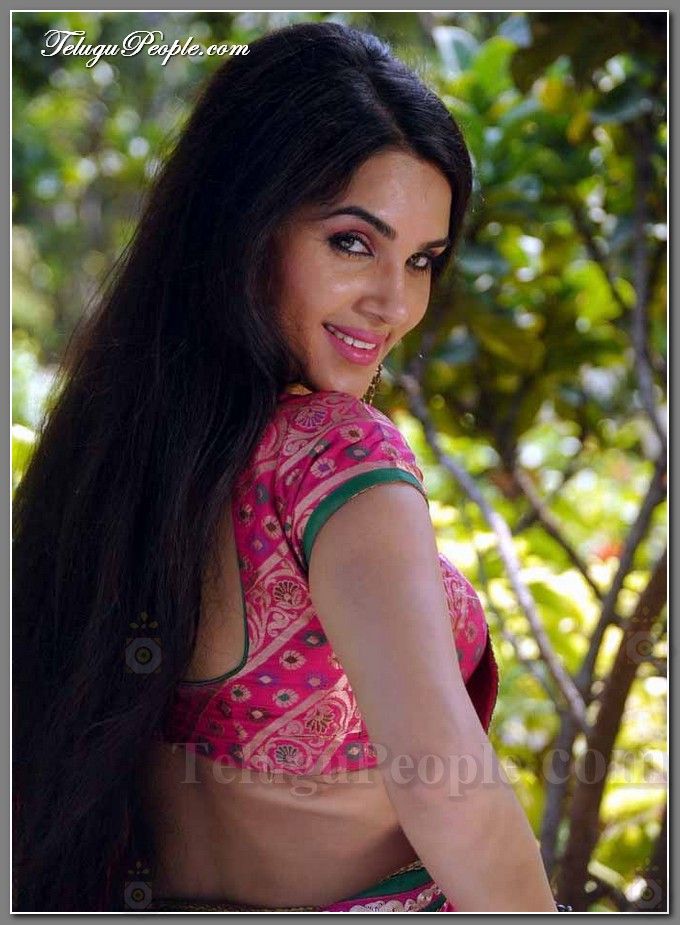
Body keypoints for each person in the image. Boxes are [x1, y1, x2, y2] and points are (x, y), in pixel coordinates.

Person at [12, 20, 566, 912]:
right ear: (247, 223)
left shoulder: (111, 458)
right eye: (353, 242)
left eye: (422, 260)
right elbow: (448, 788)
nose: (394, 303)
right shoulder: (335, 455)